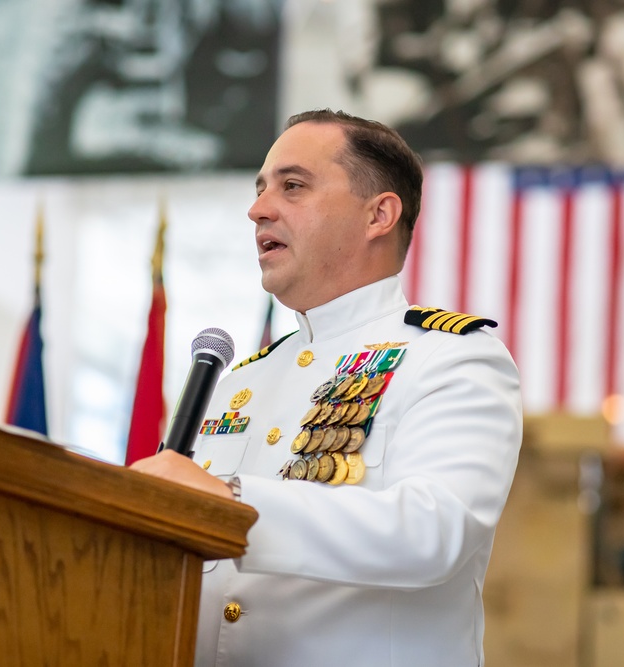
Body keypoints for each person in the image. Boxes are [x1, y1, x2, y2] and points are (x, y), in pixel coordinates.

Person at [131, 109, 522, 666]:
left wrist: (231, 501)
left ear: (379, 215)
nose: (258, 209)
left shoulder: (452, 358)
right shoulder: (243, 378)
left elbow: (434, 531)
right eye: (260, 189)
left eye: (293, 187)